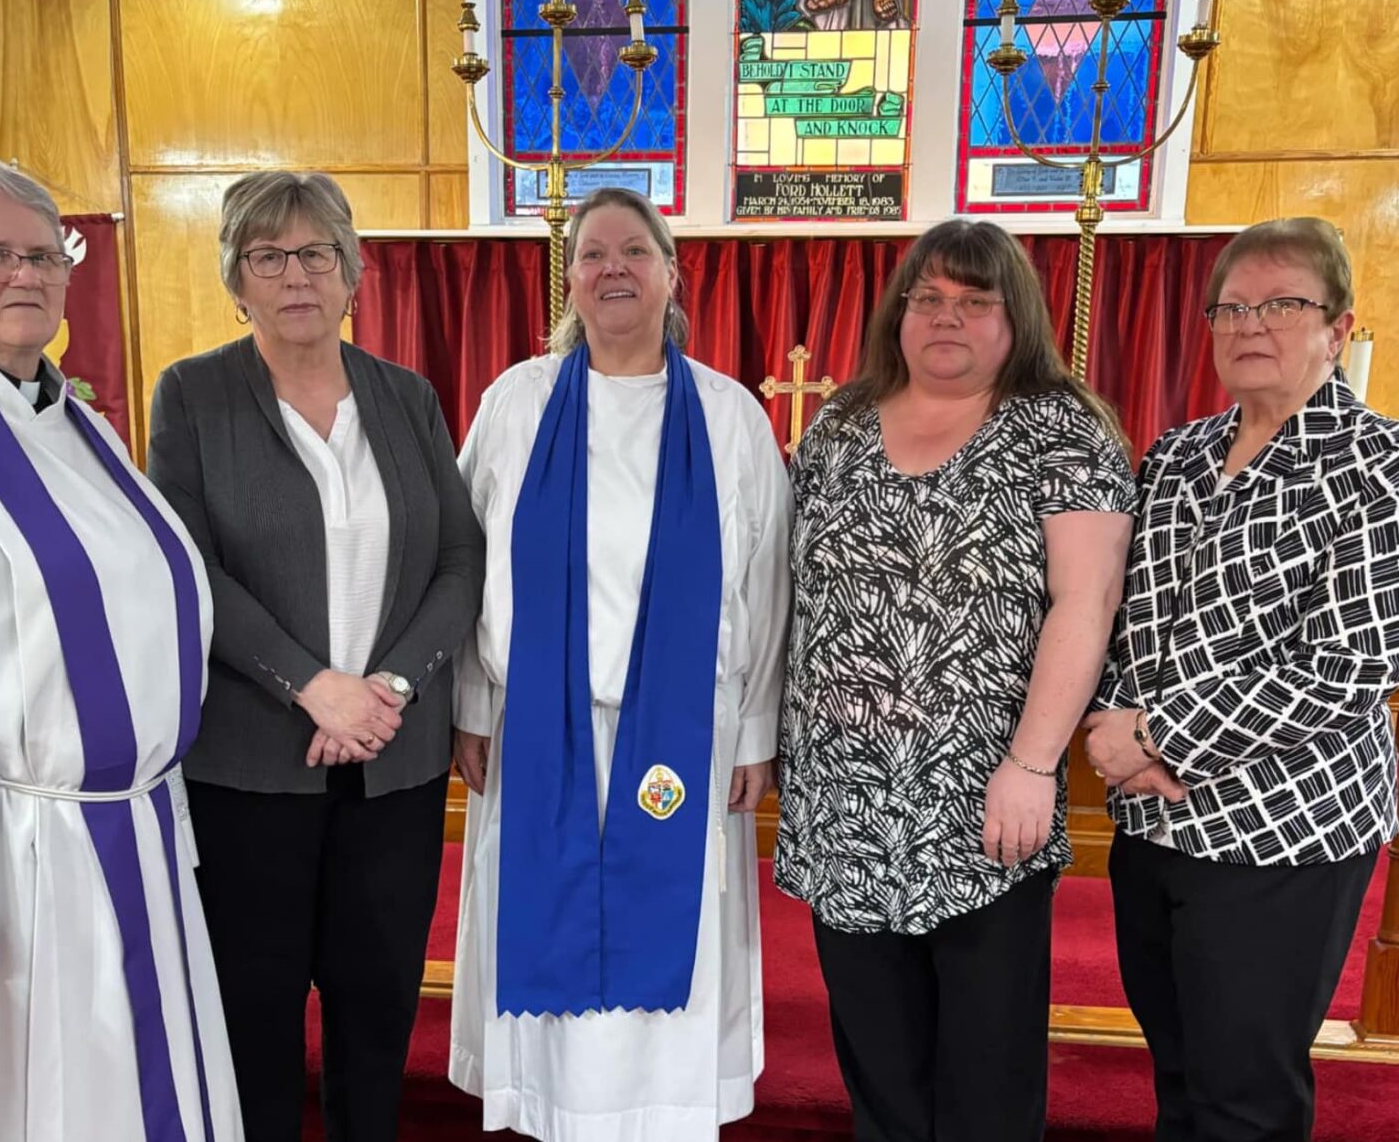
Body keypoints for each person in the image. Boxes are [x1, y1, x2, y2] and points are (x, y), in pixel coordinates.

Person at [0, 155, 241, 1141]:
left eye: (43, 253)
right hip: (7, 857)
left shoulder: (84, 427)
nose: (24, 273)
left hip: (133, 831)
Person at [775, 219, 1137, 1142]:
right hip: (843, 801)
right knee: (878, 1063)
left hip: (984, 798)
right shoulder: (839, 428)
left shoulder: (1061, 430)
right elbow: (795, 595)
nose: (948, 317)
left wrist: (1032, 762)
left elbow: (1084, 604)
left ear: (1015, 318)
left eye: (976, 301)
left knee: (986, 1067)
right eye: (928, 298)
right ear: (897, 313)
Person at [146, 171, 484, 1142]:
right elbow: (187, 565)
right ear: (235, 278)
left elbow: (460, 558)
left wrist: (390, 685)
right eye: (268, 256)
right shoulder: (195, 394)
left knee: (377, 1004)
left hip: (397, 765)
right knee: (254, 1013)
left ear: (353, 276)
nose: (295, 275)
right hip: (251, 767)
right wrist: (313, 686)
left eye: (316, 254)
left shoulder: (405, 396)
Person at [448, 186, 791, 1142]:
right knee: (545, 909)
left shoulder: (728, 418)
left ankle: (664, 1114)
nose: (612, 270)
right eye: (593, 254)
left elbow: (767, 586)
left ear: (671, 274)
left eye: (634, 252)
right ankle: (551, 1113)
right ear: (570, 280)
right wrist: (473, 703)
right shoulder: (516, 404)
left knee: (673, 931)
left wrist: (756, 730)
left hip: (687, 728)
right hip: (538, 728)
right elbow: (469, 562)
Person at [1084, 217, 1399, 1142]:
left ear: (1338, 328)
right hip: (1154, 820)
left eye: (1283, 304)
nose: (1250, 324)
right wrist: (1113, 727)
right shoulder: (1176, 456)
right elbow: (1118, 614)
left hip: (1282, 831)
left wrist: (1151, 738)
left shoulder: (1380, 469)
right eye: (1231, 307)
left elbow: (1345, 668)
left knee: (1244, 1097)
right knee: (1178, 1070)